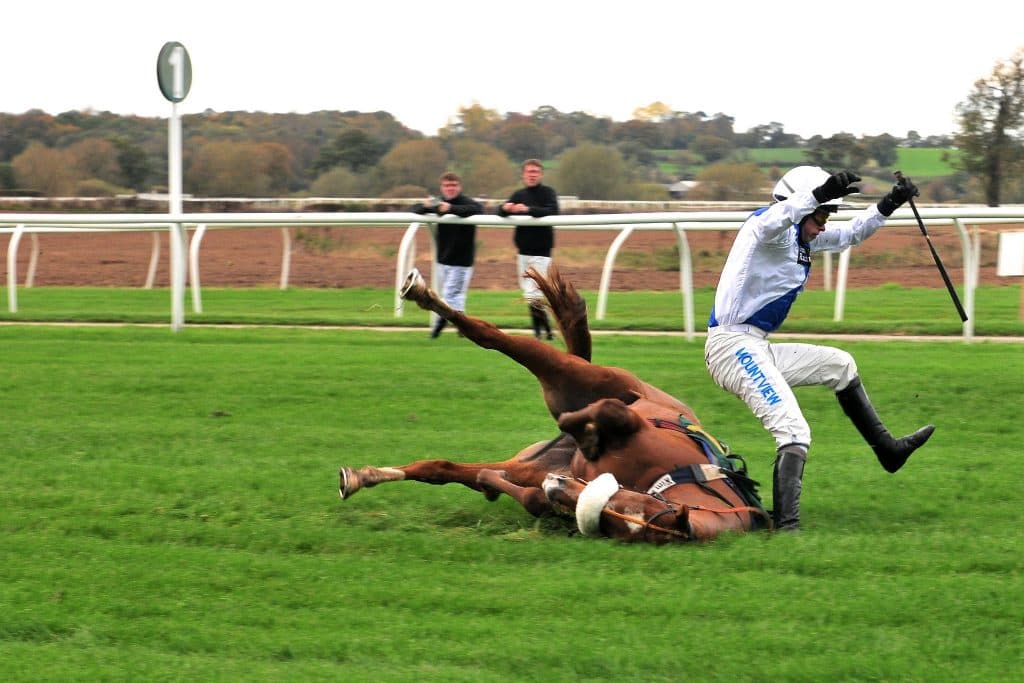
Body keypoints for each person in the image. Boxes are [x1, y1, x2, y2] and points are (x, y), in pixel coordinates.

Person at [704, 166, 935, 531]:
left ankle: (888, 451)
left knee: (840, 365)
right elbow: (777, 218)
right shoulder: (767, 230)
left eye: (828, 214)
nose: (824, 223)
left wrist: (890, 203)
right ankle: (787, 530)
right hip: (730, 346)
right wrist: (817, 194)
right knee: (794, 431)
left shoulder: (802, 240)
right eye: (821, 214)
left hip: (755, 345)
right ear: (798, 206)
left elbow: (853, 233)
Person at [411, 172, 483, 338]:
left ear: (459, 187)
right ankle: (464, 329)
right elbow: (415, 209)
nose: (450, 189)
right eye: (447, 186)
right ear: (442, 187)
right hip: (443, 258)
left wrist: (451, 209)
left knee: (449, 295)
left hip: (462, 260)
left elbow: (477, 209)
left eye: (453, 185)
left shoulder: (467, 202)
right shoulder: (437, 201)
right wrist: (427, 206)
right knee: (455, 296)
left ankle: (439, 325)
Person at [498, 159, 560, 339]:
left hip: (542, 251)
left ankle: (539, 333)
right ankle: (546, 331)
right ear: (523, 175)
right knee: (530, 293)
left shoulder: (548, 193)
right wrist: (506, 207)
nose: (532, 175)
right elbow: (499, 211)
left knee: (534, 293)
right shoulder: (518, 194)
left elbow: (553, 210)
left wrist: (527, 209)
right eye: (529, 172)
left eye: (535, 172)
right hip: (523, 251)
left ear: (541, 174)